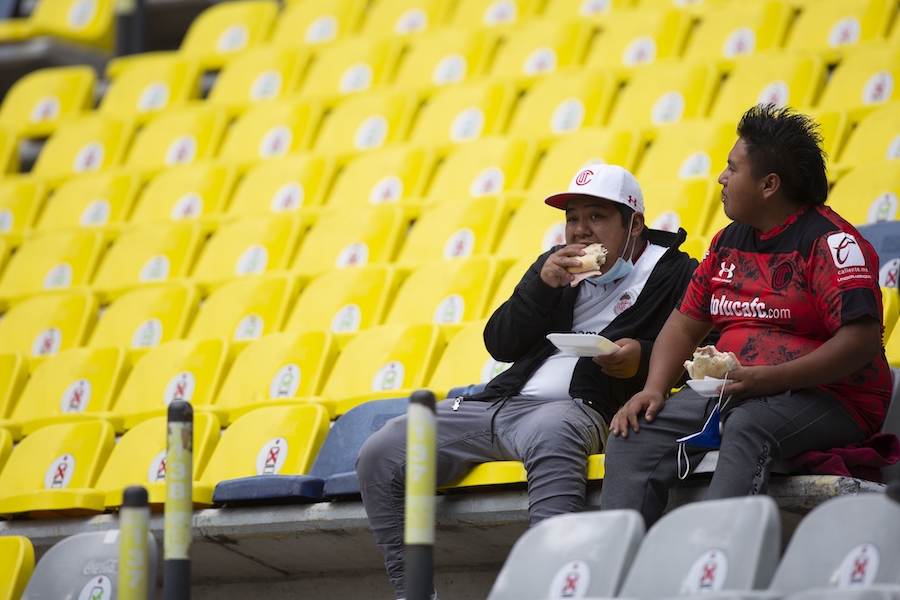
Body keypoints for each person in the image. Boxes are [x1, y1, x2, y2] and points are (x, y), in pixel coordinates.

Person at [357, 163, 706, 599]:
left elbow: (701, 352)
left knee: (551, 431)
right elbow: (499, 344)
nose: (580, 231)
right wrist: (540, 287)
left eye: (596, 217)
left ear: (634, 224)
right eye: (572, 218)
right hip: (502, 402)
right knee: (384, 451)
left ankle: (549, 589)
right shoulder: (553, 267)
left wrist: (643, 358)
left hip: (576, 410)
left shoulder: (676, 272)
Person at [600, 104, 893, 527]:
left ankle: (716, 567)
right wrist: (654, 388)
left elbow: (861, 342)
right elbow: (683, 323)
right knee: (632, 433)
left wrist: (765, 379)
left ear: (769, 184)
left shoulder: (831, 244)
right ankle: (617, 573)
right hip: (738, 391)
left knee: (748, 424)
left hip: (834, 399)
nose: (721, 178)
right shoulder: (725, 243)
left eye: (732, 169)